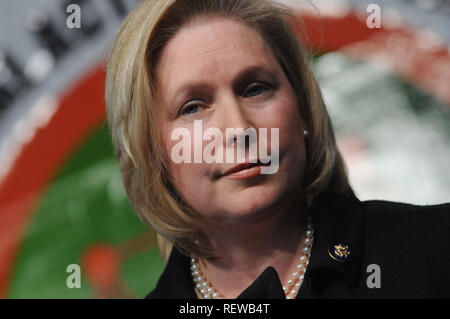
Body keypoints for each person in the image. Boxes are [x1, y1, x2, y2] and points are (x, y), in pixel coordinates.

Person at [104, 0, 449, 299]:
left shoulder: (436, 249)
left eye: (255, 89)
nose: (239, 129)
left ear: (303, 110)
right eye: (193, 107)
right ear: (153, 152)